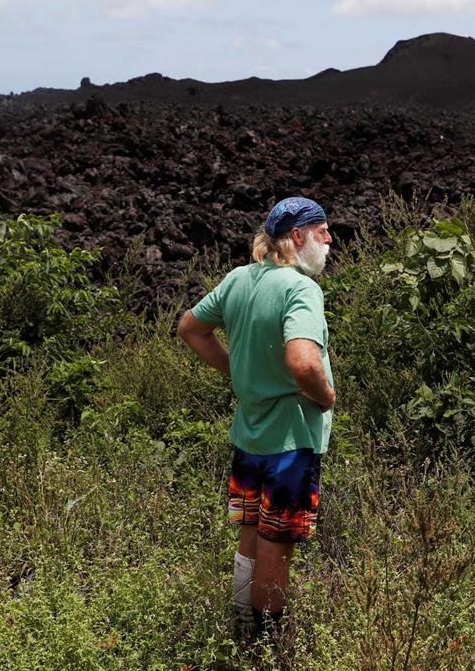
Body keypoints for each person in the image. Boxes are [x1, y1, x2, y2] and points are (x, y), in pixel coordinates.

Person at [177, 196, 335, 643]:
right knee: (276, 541)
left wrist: (237, 369)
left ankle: (241, 627)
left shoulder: (238, 279)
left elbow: (190, 328)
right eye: (322, 230)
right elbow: (303, 362)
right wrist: (325, 396)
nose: (330, 238)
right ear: (298, 236)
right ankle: (268, 643)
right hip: (291, 440)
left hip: (248, 434)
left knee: (251, 530)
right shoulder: (301, 288)